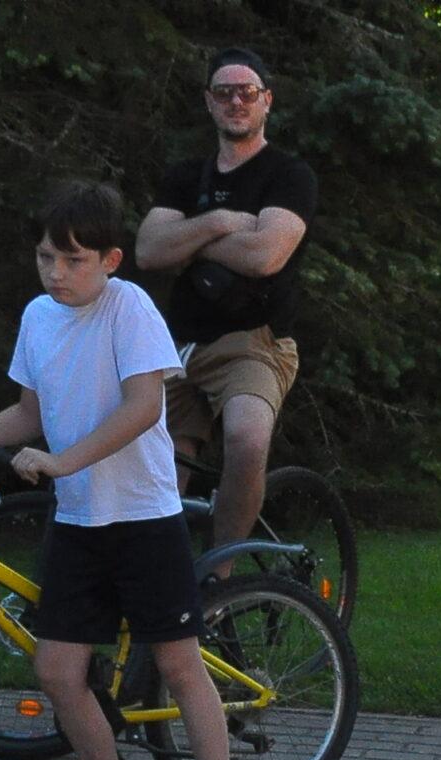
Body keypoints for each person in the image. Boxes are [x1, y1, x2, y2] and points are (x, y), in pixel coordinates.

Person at [0, 181, 252, 760]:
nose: (57, 272)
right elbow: (28, 413)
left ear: (111, 260)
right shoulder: (38, 316)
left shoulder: (129, 309)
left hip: (144, 518)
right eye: (46, 257)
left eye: (74, 260)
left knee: (178, 665)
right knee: (57, 670)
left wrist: (62, 460)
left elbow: (143, 407)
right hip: (78, 521)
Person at [135, 45, 317, 553]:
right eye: (224, 92)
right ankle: (168, 577)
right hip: (177, 349)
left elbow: (265, 256)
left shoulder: (289, 175)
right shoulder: (185, 176)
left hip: (254, 344)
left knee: (247, 440)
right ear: (208, 102)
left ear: (267, 101)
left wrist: (187, 242)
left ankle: (221, 573)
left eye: (247, 92)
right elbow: (148, 250)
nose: (236, 101)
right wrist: (219, 222)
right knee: (157, 473)